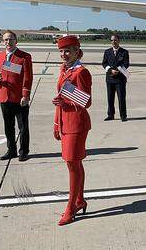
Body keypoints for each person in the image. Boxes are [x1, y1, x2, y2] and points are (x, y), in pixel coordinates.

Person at [52, 35, 92, 226]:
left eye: (67, 51)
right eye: (61, 51)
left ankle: (70, 208)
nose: (64, 54)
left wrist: (66, 101)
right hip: (65, 122)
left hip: (77, 124)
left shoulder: (81, 72)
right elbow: (60, 98)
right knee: (74, 164)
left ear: (77, 51)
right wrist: (56, 123)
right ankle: (79, 200)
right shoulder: (64, 70)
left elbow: (87, 101)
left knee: (72, 163)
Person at [0, 31, 33, 162]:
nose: (8, 42)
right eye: (5, 40)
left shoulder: (24, 57)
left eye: (10, 39)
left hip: (19, 98)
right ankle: (11, 151)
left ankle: (24, 151)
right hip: (4, 97)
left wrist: (25, 95)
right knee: (8, 127)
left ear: (16, 41)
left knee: (23, 127)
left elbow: (28, 78)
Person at [101, 34, 130, 121]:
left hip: (120, 78)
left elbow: (126, 64)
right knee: (110, 98)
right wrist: (110, 70)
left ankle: (123, 116)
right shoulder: (107, 52)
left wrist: (117, 70)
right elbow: (104, 63)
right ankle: (110, 115)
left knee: (121, 98)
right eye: (112, 40)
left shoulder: (124, 52)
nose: (114, 42)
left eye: (115, 40)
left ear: (119, 41)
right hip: (110, 78)